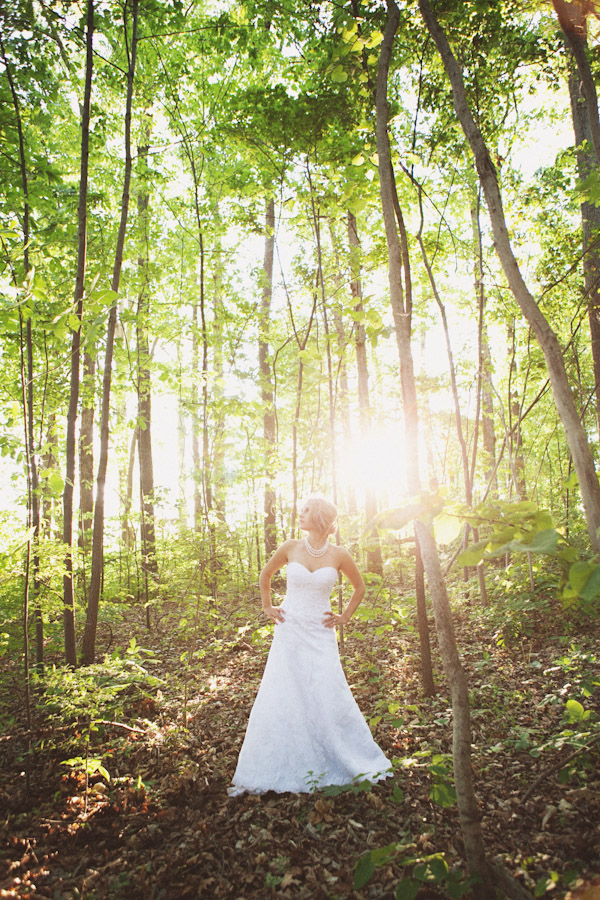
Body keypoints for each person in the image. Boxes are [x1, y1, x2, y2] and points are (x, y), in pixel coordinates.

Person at [228, 495, 392, 796]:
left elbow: (360, 587)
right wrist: (268, 606)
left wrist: (344, 616)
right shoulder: (290, 547)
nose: (299, 515)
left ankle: (338, 752)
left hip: (320, 630)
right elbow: (265, 575)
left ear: (318, 517)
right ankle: (285, 756)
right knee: (287, 690)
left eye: (305, 511)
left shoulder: (340, 554)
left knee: (328, 688)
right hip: (290, 628)